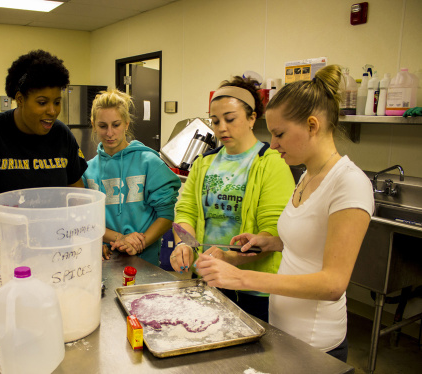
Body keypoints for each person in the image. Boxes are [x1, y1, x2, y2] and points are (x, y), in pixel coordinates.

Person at [195, 65, 375, 362]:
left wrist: (241, 278)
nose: (274, 144)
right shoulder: (307, 175)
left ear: (312, 125)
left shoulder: (349, 183)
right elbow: (311, 240)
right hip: (284, 331)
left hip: (316, 343)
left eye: (279, 134)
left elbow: (332, 284)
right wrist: (272, 242)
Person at [0, 49, 88, 268]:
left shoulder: (62, 135)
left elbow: (77, 196)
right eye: (42, 102)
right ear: (20, 99)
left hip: (54, 244)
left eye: (57, 102)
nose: (52, 111)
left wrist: (86, 238)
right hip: (2, 248)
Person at [170, 76, 295, 322]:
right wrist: (183, 244)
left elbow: (273, 232)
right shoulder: (204, 163)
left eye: (230, 119)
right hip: (207, 279)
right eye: (215, 121)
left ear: (251, 118)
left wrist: (229, 258)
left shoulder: (271, 164)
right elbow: (185, 211)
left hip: (253, 290)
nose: (221, 128)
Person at [82, 89, 181, 266]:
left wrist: (138, 244)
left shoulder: (149, 163)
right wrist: (107, 240)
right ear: (93, 125)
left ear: (127, 124)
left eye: (116, 124)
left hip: (144, 262)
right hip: (103, 262)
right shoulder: (87, 171)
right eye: (103, 126)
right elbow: (85, 221)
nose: (110, 133)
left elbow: (166, 217)